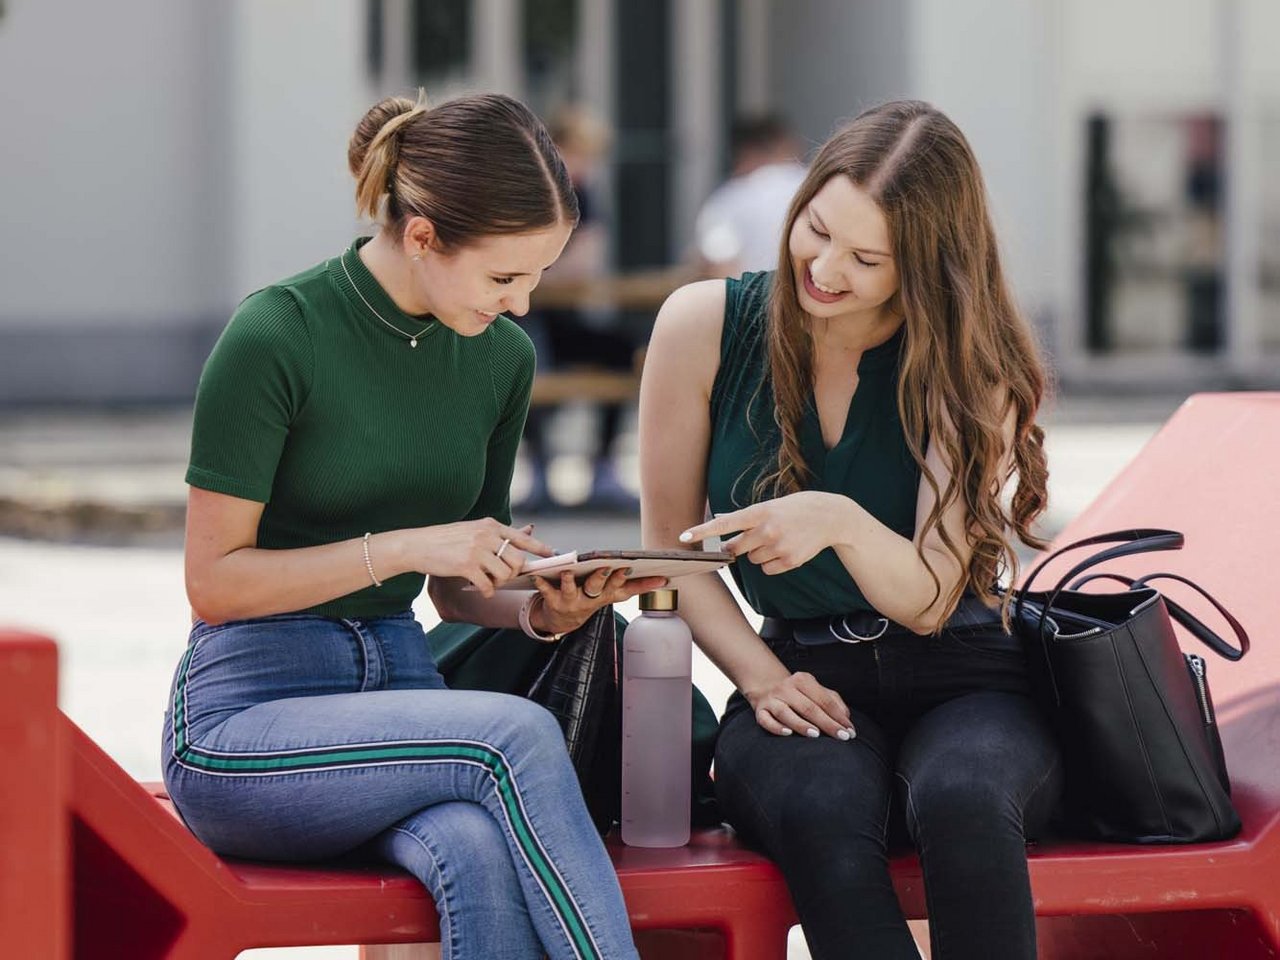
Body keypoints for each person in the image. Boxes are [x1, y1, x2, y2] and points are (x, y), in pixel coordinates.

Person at [163, 91, 666, 960]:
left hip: (405, 704)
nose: (520, 306)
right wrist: (402, 546)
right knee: (515, 737)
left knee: (475, 845)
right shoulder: (276, 334)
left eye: (538, 277)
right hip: (246, 722)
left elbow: (459, 593)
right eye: (504, 277)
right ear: (424, 235)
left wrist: (546, 610)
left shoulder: (500, 361)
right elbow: (214, 584)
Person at [639, 100, 1063, 960]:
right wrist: (759, 681)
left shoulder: (966, 365)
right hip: (800, 665)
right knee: (820, 802)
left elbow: (931, 598)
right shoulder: (703, 326)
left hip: (969, 673)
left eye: (867, 259)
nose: (824, 269)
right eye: (817, 231)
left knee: (966, 795)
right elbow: (668, 553)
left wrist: (834, 520)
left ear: (926, 269)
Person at [516, 106, 641, 512]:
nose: (583, 165)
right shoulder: (528, 193)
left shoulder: (582, 193)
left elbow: (585, 263)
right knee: (526, 358)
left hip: (563, 318)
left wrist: (544, 269)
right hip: (521, 317)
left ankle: (603, 467)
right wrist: (548, 270)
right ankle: (539, 470)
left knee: (624, 352)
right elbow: (517, 267)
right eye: (576, 154)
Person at [694, 113, 808, 278]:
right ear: (787, 145)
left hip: (758, 299)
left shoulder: (729, 200)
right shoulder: (819, 186)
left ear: (745, 153)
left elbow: (723, 267)